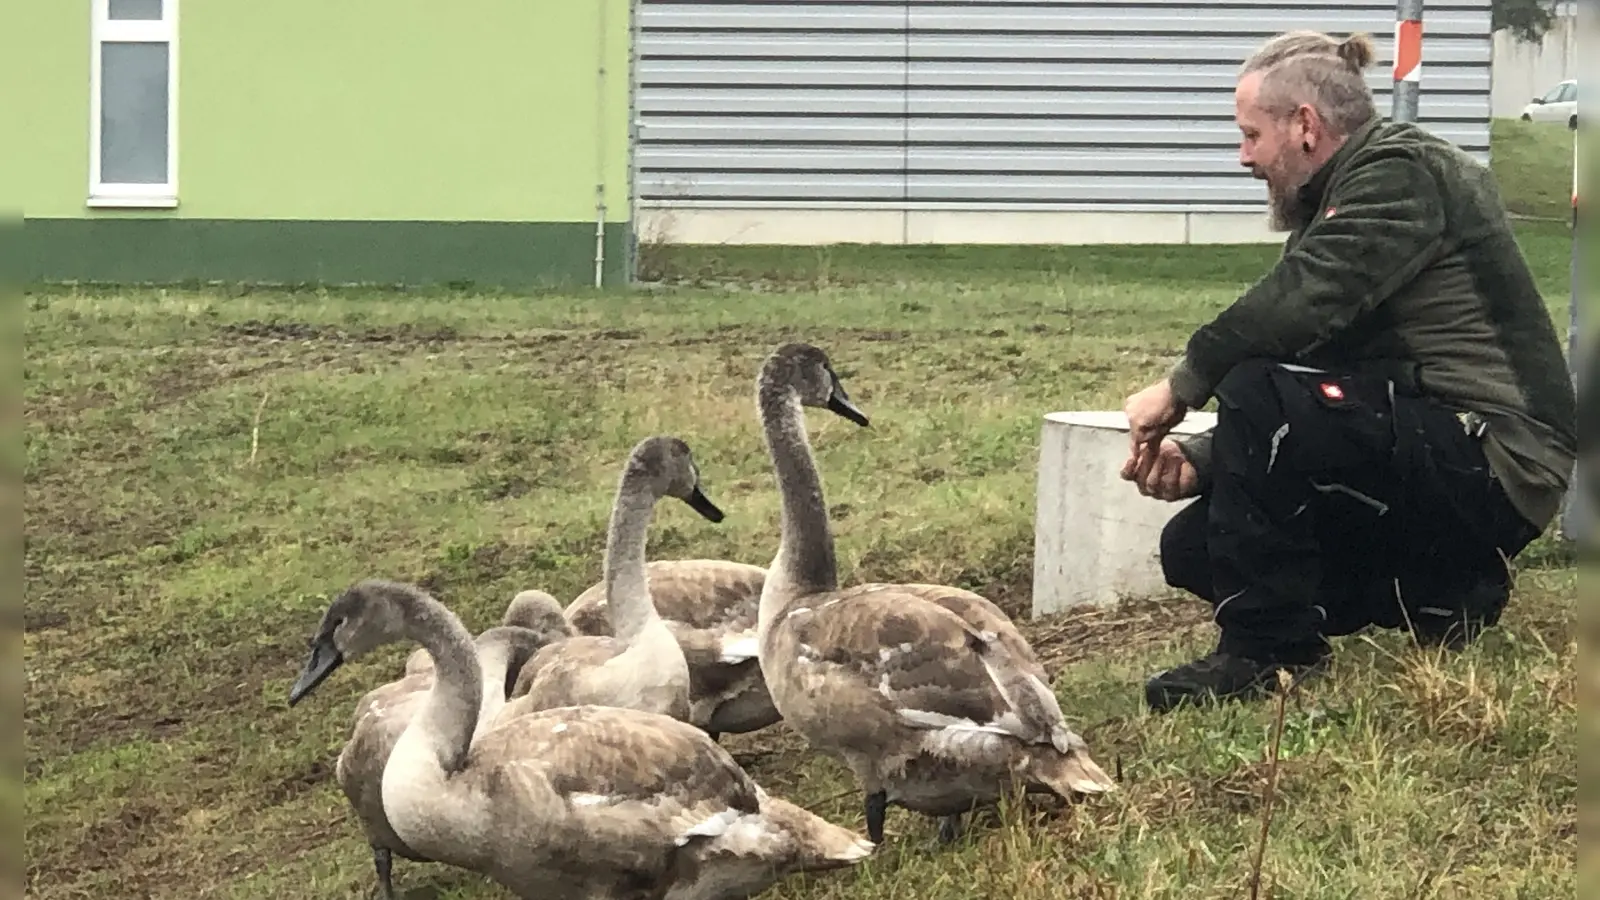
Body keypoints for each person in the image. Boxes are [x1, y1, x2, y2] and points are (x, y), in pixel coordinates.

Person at [1119, 29, 1577, 713]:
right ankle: (1445, 589)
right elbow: (1316, 362)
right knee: (1194, 546)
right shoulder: (1344, 198)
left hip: (1496, 461)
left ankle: (1269, 651)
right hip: (1431, 452)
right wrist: (1206, 458)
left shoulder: (1403, 175)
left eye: (1250, 135)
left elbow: (1293, 313)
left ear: (1304, 125)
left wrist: (1184, 385)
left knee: (1251, 380)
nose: (1243, 156)